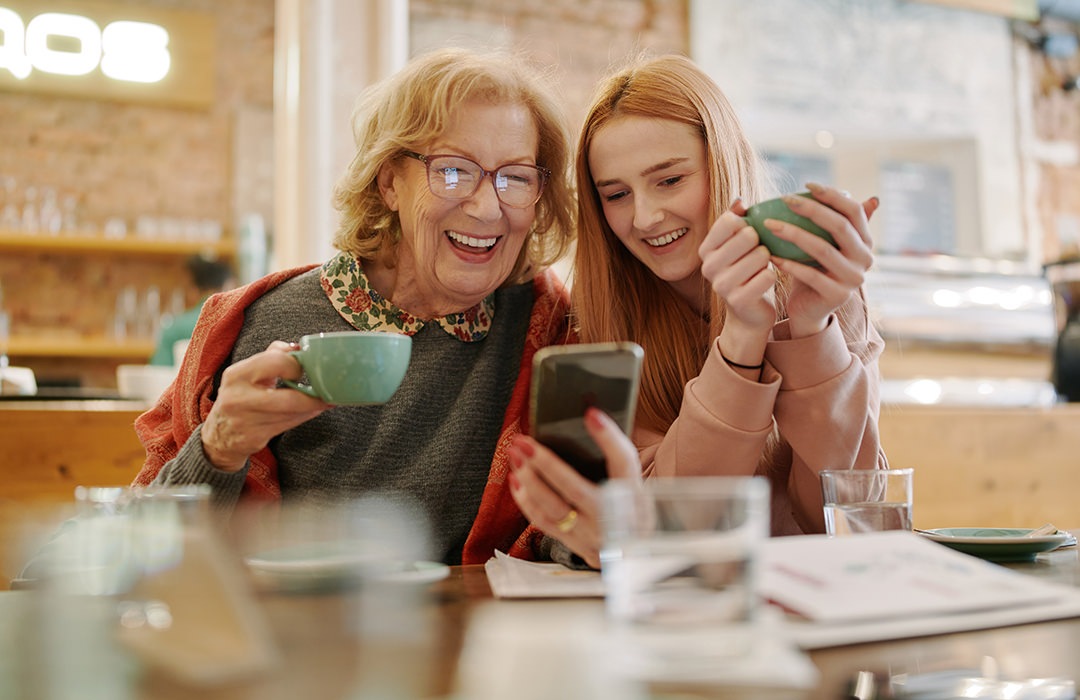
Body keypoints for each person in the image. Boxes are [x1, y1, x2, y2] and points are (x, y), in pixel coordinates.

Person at [130, 47, 576, 566]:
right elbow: (142, 548)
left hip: (484, 637)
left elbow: (566, 525)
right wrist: (220, 446)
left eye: (516, 177)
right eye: (453, 172)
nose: (486, 206)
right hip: (307, 636)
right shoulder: (262, 322)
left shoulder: (545, 326)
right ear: (389, 183)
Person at [507, 53, 888, 568]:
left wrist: (812, 327)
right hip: (678, 606)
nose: (644, 217)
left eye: (669, 180)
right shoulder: (600, 325)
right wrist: (741, 338)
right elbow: (663, 524)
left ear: (723, 162)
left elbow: (848, 511)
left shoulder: (821, 289)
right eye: (616, 194)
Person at [149, 254, 235, 366]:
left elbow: (159, 371)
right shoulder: (236, 323)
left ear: (193, 289)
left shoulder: (174, 328)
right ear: (226, 286)